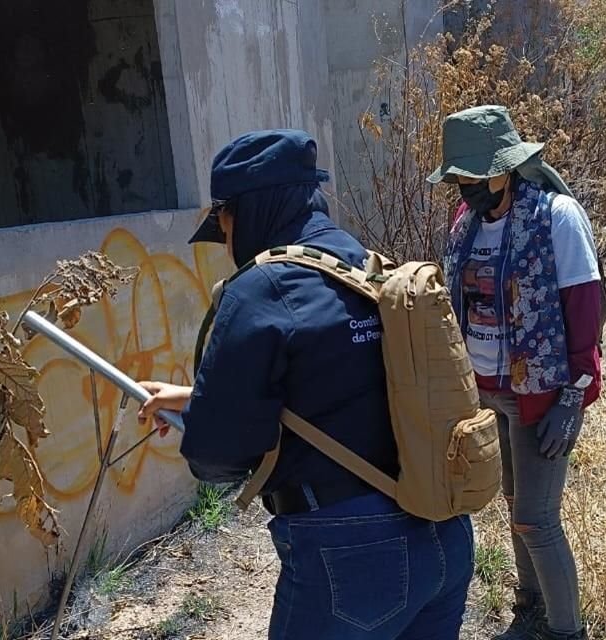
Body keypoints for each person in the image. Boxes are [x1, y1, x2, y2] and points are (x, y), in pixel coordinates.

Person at [138, 130, 474, 640]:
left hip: (351, 558)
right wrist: (192, 398)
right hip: (444, 534)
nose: (226, 241)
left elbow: (216, 457)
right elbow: (353, 386)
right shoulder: (370, 269)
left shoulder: (260, 290)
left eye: (222, 224)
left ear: (243, 214)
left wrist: (202, 418)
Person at [427, 106, 605, 640]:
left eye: (477, 176)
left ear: (506, 167)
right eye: (461, 178)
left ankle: (566, 630)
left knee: (537, 519)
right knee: (511, 505)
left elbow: (585, 310)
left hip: (540, 394)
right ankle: (528, 603)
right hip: (486, 392)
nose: (469, 188)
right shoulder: (467, 224)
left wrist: (573, 398)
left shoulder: (555, 217)